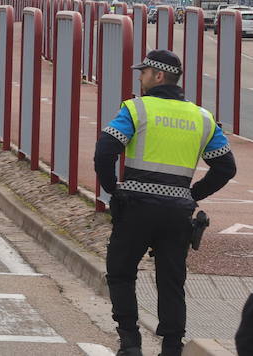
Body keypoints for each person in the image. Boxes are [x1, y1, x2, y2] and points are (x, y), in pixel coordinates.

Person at [95, 49, 237, 356]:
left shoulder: (137, 109)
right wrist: (193, 194)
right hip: (177, 213)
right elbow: (226, 168)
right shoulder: (202, 117)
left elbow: (104, 151)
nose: (140, 77)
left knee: (120, 272)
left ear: (158, 76)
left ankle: (130, 343)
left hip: (136, 207)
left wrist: (113, 190)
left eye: (143, 72)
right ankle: (172, 348)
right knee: (171, 281)